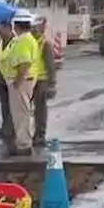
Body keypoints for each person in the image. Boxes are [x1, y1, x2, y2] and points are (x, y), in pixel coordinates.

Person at [7, 12, 40, 156]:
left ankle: (23, 144)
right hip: (25, 80)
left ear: (16, 25)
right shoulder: (27, 39)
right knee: (22, 112)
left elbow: (24, 62)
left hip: (22, 81)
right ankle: (22, 141)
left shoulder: (23, 41)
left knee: (21, 114)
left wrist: (17, 80)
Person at [32, 17, 59, 145]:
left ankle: (40, 134)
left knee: (40, 109)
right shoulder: (30, 41)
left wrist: (52, 84)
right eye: (41, 26)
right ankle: (32, 133)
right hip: (30, 80)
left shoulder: (45, 44)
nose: (42, 29)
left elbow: (50, 66)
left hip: (41, 81)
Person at [0, 21, 16, 140]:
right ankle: (5, 126)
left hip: (11, 77)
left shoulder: (15, 42)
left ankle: (11, 128)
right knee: (4, 104)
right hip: (1, 76)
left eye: (1, 29)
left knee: (12, 104)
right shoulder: (0, 42)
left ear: (8, 28)